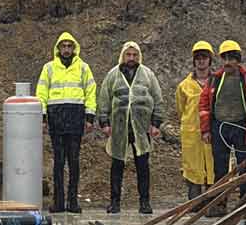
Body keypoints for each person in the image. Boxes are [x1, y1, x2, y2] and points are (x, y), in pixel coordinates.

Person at [199, 39, 246, 203]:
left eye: (232, 58)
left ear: (238, 60)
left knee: (245, 167)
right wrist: (206, 130)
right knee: (220, 168)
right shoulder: (214, 80)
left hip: (242, 127)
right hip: (219, 127)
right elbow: (203, 105)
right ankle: (219, 202)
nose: (228, 62)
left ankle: (245, 204)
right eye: (225, 58)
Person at [97, 41, 162, 215]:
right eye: (128, 54)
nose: (131, 58)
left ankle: (144, 202)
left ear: (138, 56)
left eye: (134, 55)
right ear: (123, 56)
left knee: (143, 167)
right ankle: (115, 202)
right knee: (117, 166)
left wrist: (155, 124)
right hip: (119, 128)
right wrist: (104, 123)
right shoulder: (113, 75)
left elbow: (157, 99)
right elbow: (104, 99)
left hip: (141, 129)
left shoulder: (148, 74)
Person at [35, 31, 97, 213]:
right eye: (64, 46)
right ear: (58, 48)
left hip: (76, 117)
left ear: (74, 48)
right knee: (59, 162)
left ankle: (73, 202)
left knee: (74, 161)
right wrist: (43, 117)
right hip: (56, 118)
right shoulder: (49, 68)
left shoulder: (83, 68)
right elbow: (41, 93)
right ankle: (58, 202)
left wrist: (90, 116)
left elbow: (91, 91)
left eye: (70, 46)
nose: (67, 49)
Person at [176, 41, 217, 200]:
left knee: (214, 165)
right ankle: (194, 202)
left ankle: (213, 200)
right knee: (193, 167)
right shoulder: (184, 86)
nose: (201, 61)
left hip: (213, 131)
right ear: (194, 60)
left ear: (210, 60)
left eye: (204, 57)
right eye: (198, 57)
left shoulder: (218, 82)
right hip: (192, 134)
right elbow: (180, 109)